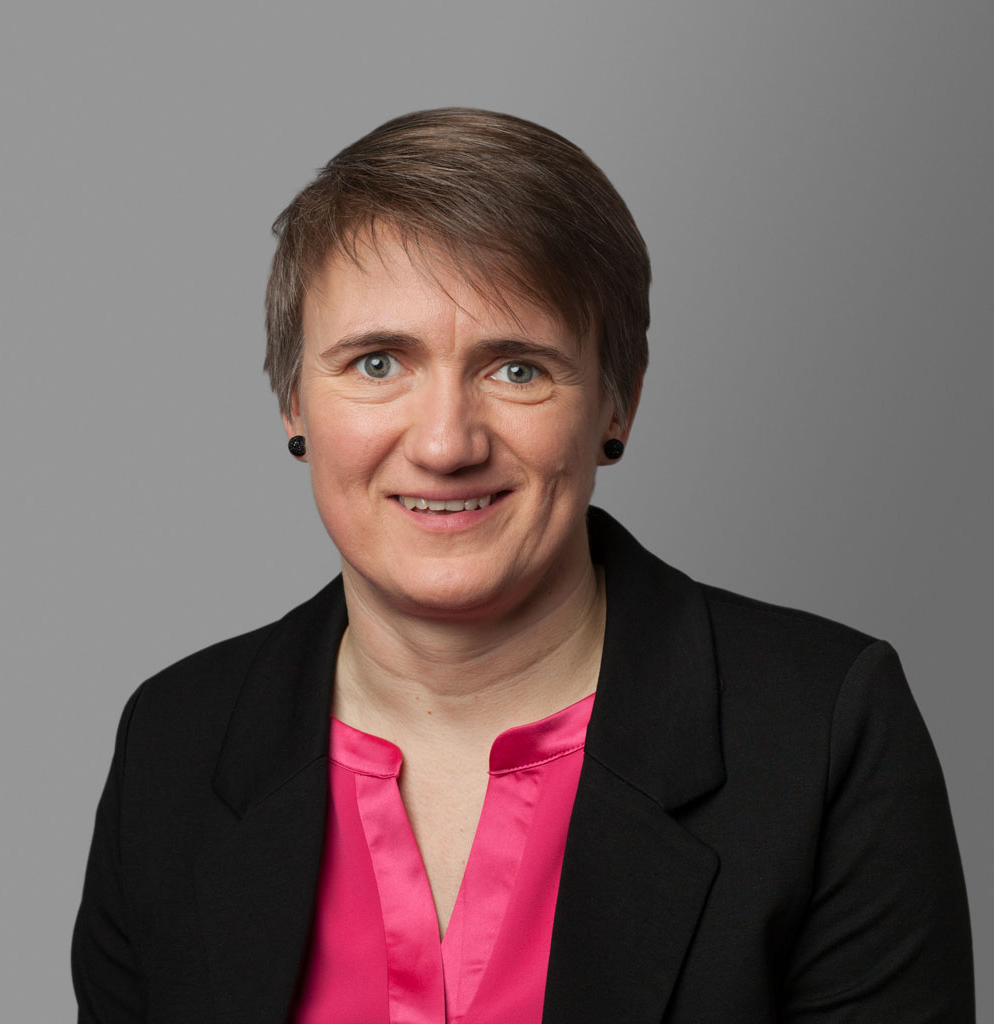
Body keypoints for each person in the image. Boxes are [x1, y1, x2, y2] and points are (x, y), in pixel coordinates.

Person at [72, 108, 974, 1023]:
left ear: (618, 402)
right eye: (378, 363)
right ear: (292, 399)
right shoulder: (172, 747)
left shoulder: (822, 734)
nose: (445, 444)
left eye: (517, 370)